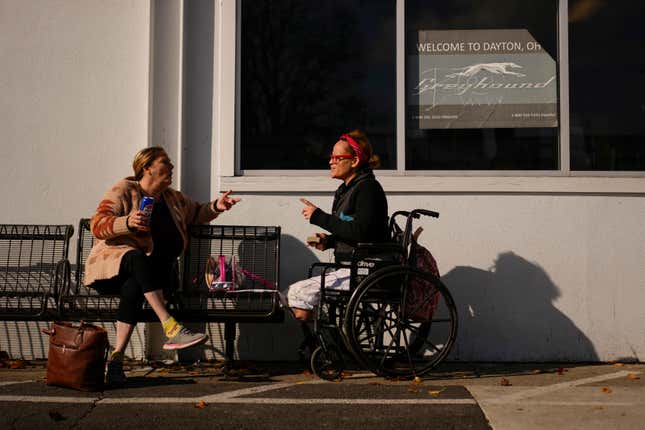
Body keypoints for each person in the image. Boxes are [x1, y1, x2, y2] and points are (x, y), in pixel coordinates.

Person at [85, 146, 240, 386]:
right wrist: (126, 222)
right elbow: (98, 224)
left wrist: (216, 207)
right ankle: (171, 326)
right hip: (113, 268)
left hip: (156, 277)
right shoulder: (125, 190)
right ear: (147, 167)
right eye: (165, 162)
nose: (172, 167)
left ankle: (116, 361)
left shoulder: (172, 198)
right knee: (136, 259)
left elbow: (197, 212)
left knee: (134, 286)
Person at [286, 130, 389, 324]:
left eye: (337, 157)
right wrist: (329, 241)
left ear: (355, 160)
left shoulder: (368, 188)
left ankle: (321, 341)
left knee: (298, 293)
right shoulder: (346, 190)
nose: (330, 162)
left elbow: (363, 232)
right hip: (351, 266)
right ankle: (325, 339)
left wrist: (319, 217)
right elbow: (352, 229)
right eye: (331, 157)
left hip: (366, 268)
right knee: (291, 293)